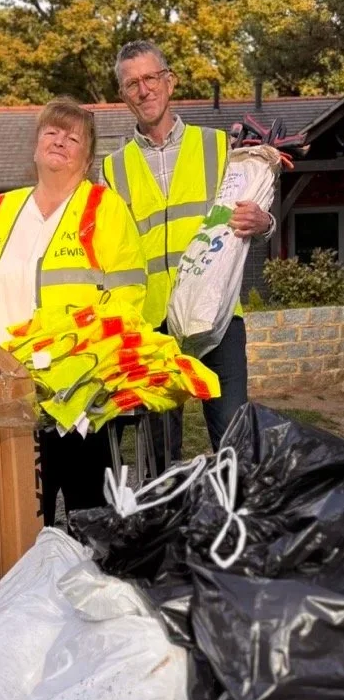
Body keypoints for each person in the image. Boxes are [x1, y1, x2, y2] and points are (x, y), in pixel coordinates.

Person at [0, 97, 147, 526]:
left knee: (87, 520)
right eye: (51, 131)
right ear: (36, 144)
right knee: (19, 519)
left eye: (72, 136)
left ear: (87, 156)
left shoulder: (104, 208)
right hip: (5, 391)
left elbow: (128, 294)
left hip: (74, 395)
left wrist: (81, 367)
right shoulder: (1, 210)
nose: (60, 140)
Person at [103, 40, 275, 465]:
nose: (143, 90)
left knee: (233, 440)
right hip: (153, 322)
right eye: (132, 84)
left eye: (150, 78)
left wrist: (264, 222)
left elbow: (255, 214)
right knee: (157, 451)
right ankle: (169, 527)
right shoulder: (112, 167)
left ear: (170, 81)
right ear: (123, 96)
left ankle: (237, 525)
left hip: (217, 313)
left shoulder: (218, 146)